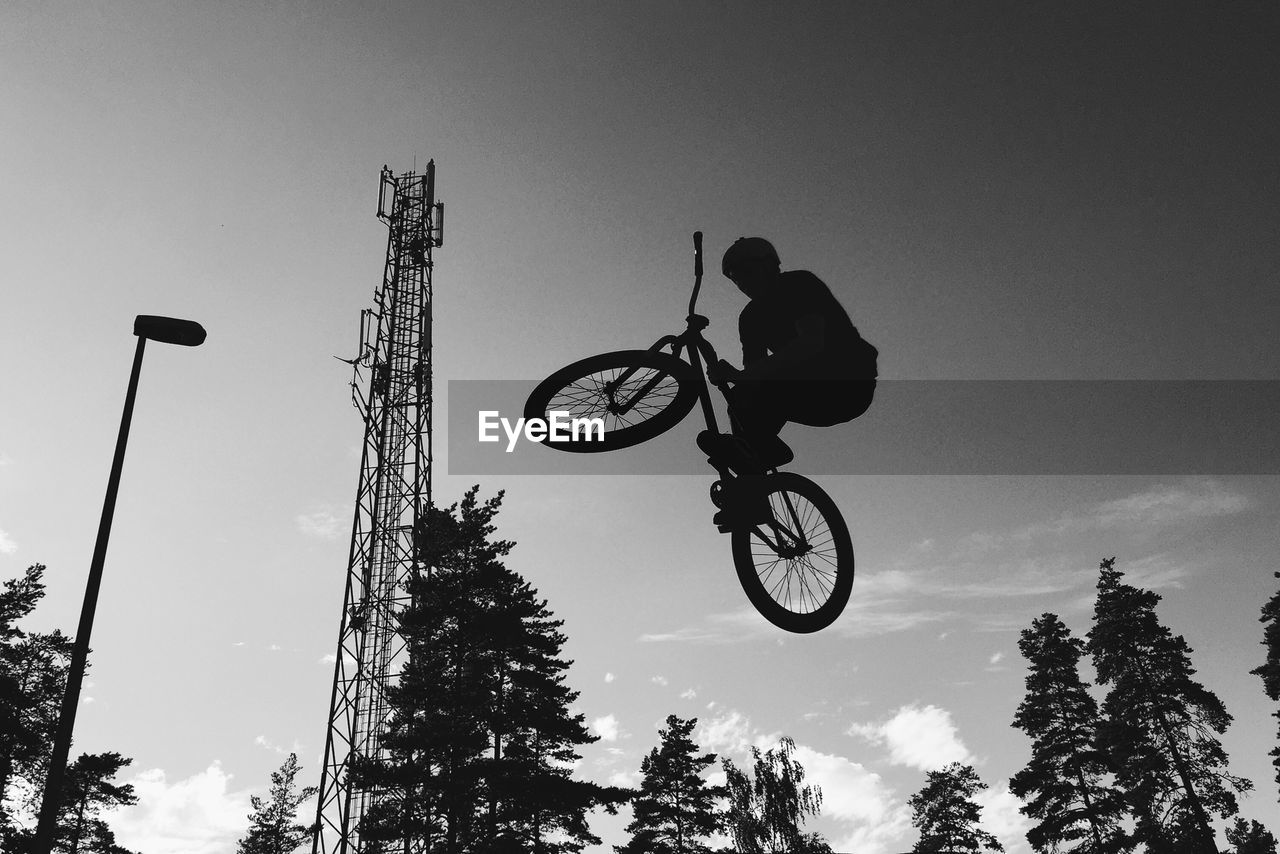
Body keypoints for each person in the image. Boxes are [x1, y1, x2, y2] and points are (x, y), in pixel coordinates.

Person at [699, 237, 877, 524]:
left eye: (746, 271)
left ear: (770, 265)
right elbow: (754, 374)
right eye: (734, 277)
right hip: (806, 390)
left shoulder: (799, 285)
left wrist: (742, 377)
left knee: (751, 397)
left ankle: (762, 451)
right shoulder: (750, 317)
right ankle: (754, 493)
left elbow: (811, 344)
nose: (742, 281)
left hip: (847, 385)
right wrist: (733, 378)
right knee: (741, 406)